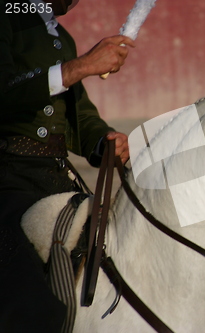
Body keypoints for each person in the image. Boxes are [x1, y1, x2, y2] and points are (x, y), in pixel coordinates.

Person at [0, 0, 134, 331]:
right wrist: (79, 66)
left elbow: (79, 115)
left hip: (56, 177)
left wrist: (104, 142)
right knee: (32, 302)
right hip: (5, 178)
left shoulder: (60, 34)